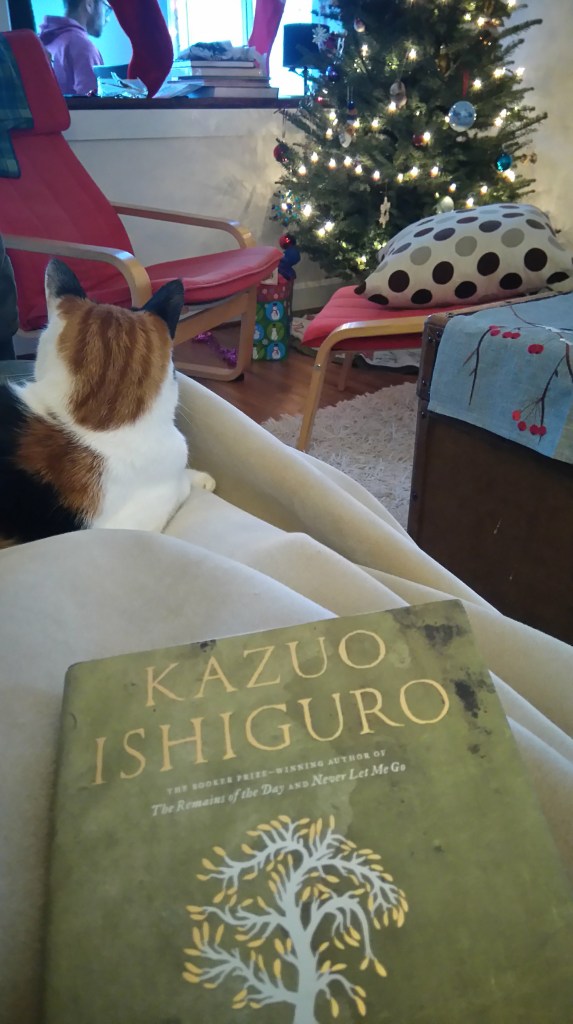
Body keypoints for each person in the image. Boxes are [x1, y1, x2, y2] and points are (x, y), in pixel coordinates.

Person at [38, 0, 111, 97]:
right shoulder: (83, 47)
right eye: (107, 8)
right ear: (89, 4)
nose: (108, 19)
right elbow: (93, 104)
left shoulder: (42, 42)